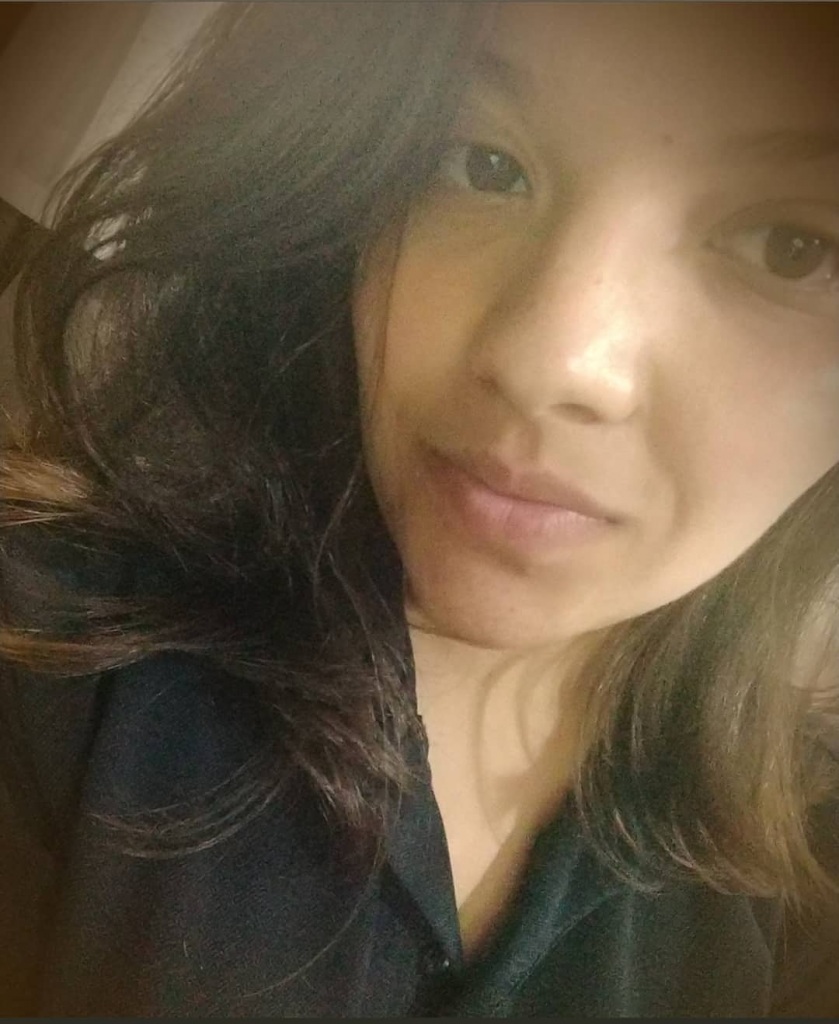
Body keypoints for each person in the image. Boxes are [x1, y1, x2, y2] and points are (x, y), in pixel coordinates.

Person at [1, 1, 839, 1015]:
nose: (549, 361)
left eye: (790, 245)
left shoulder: (809, 869)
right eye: (481, 163)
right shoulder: (46, 657)